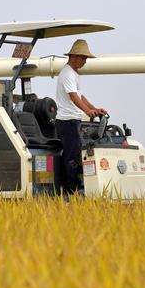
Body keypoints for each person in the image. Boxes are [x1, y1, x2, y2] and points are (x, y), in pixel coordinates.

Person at [54, 39, 108, 194]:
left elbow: (81, 97)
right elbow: (73, 97)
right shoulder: (67, 74)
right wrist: (87, 111)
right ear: (75, 56)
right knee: (71, 158)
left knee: (77, 157)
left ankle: (76, 187)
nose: (85, 61)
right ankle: (69, 192)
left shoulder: (74, 74)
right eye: (84, 58)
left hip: (74, 120)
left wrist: (95, 109)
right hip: (67, 121)